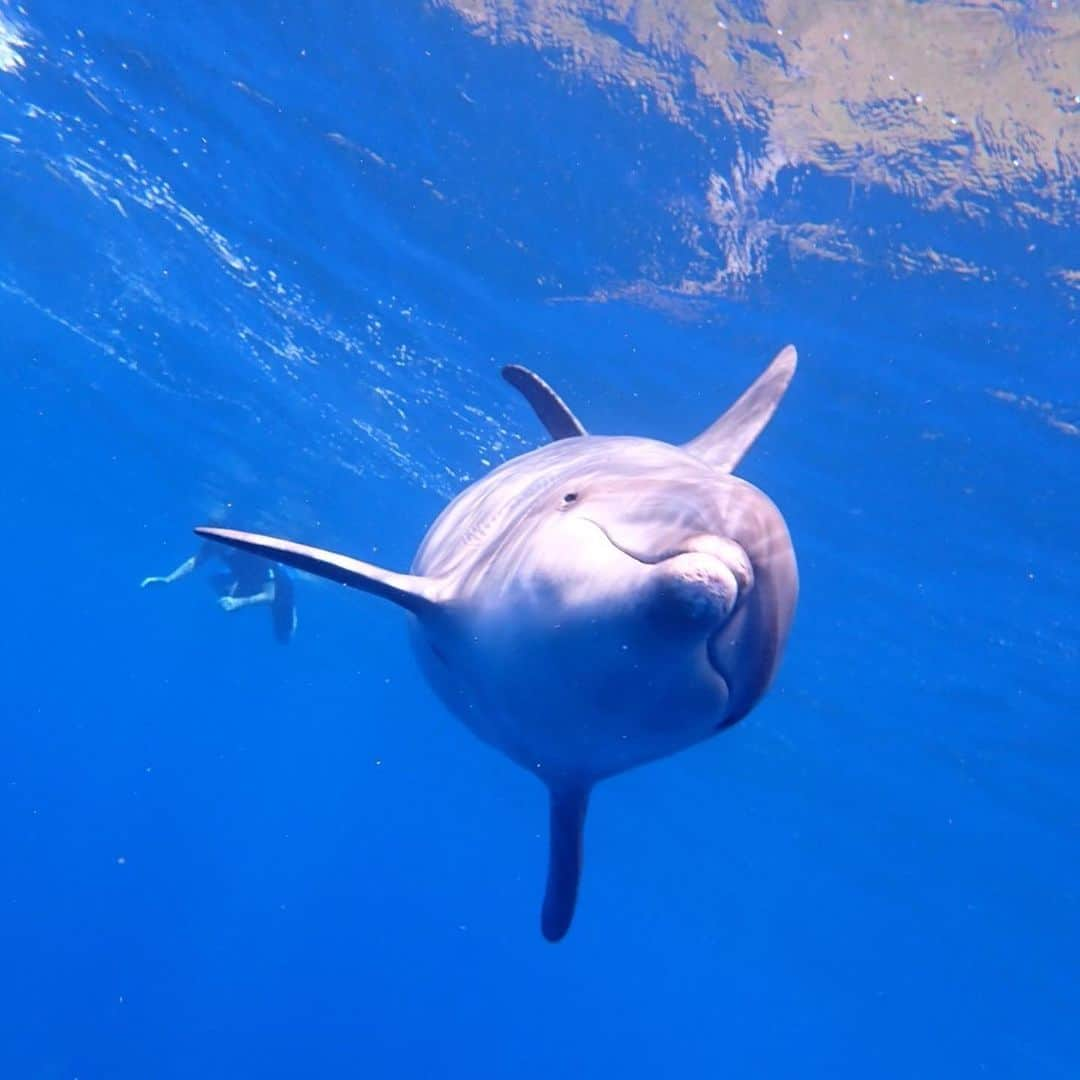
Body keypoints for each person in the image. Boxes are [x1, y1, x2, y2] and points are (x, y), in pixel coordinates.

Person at [141, 539, 297, 643]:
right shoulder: (216, 542)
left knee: (284, 638)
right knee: (215, 579)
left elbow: (269, 596)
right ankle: (234, 598)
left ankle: (289, 601)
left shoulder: (258, 556)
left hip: (278, 587)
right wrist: (169, 579)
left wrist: (238, 602)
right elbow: (196, 561)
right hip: (244, 577)